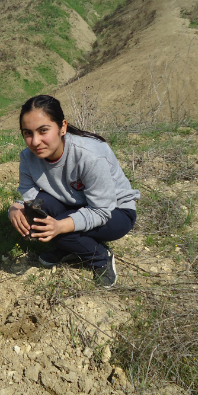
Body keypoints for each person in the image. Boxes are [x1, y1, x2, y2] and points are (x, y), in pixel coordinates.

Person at [8, 95, 139, 287]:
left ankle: (100, 257)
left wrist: (60, 226)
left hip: (114, 212)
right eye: (27, 133)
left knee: (56, 229)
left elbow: (101, 210)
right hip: (76, 202)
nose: (35, 142)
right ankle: (71, 247)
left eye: (43, 130)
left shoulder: (88, 155)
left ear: (62, 127)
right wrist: (16, 208)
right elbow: (30, 194)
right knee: (37, 219)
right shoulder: (28, 157)